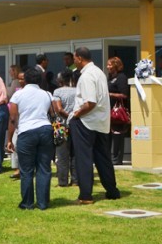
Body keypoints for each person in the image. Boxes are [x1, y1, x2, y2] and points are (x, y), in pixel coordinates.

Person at [69, 47, 121, 204]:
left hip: (86, 121)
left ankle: (85, 195)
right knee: (103, 158)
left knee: (83, 158)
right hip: (101, 122)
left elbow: (90, 102)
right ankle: (112, 191)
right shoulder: (99, 72)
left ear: (79, 58)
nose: (74, 62)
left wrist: (76, 114)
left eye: (74, 58)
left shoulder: (86, 76)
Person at [7, 68, 54, 210]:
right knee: (44, 168)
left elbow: (13, 118)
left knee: (26, 170)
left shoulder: (18, 95)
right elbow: (53, 113)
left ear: (25, 80)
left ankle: (27, 203)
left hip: (26, 131)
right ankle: (43, 202)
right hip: (45, 129)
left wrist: (9, 139)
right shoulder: (47, 94)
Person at [52, 69, 77, 187]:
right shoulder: (77, 90)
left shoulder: (57, 92)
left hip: (60, 125)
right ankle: (76, 180)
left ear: (60, 80)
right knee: (75, 153)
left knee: (62, 154)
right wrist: (72, 118)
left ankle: (63, 181)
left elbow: (59, 109)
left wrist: (68, 117)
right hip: (76, 124)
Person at [107, 57, 130, 165]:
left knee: (118, 135)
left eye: (110, 65)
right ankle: (108, 157)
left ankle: (117, 159)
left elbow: (124, 95)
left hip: (118, 112)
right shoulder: (110, 77)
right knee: (108, 135)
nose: (108, 67)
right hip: (109, 111)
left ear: (116, 66)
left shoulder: (121, 77)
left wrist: (110, 94)